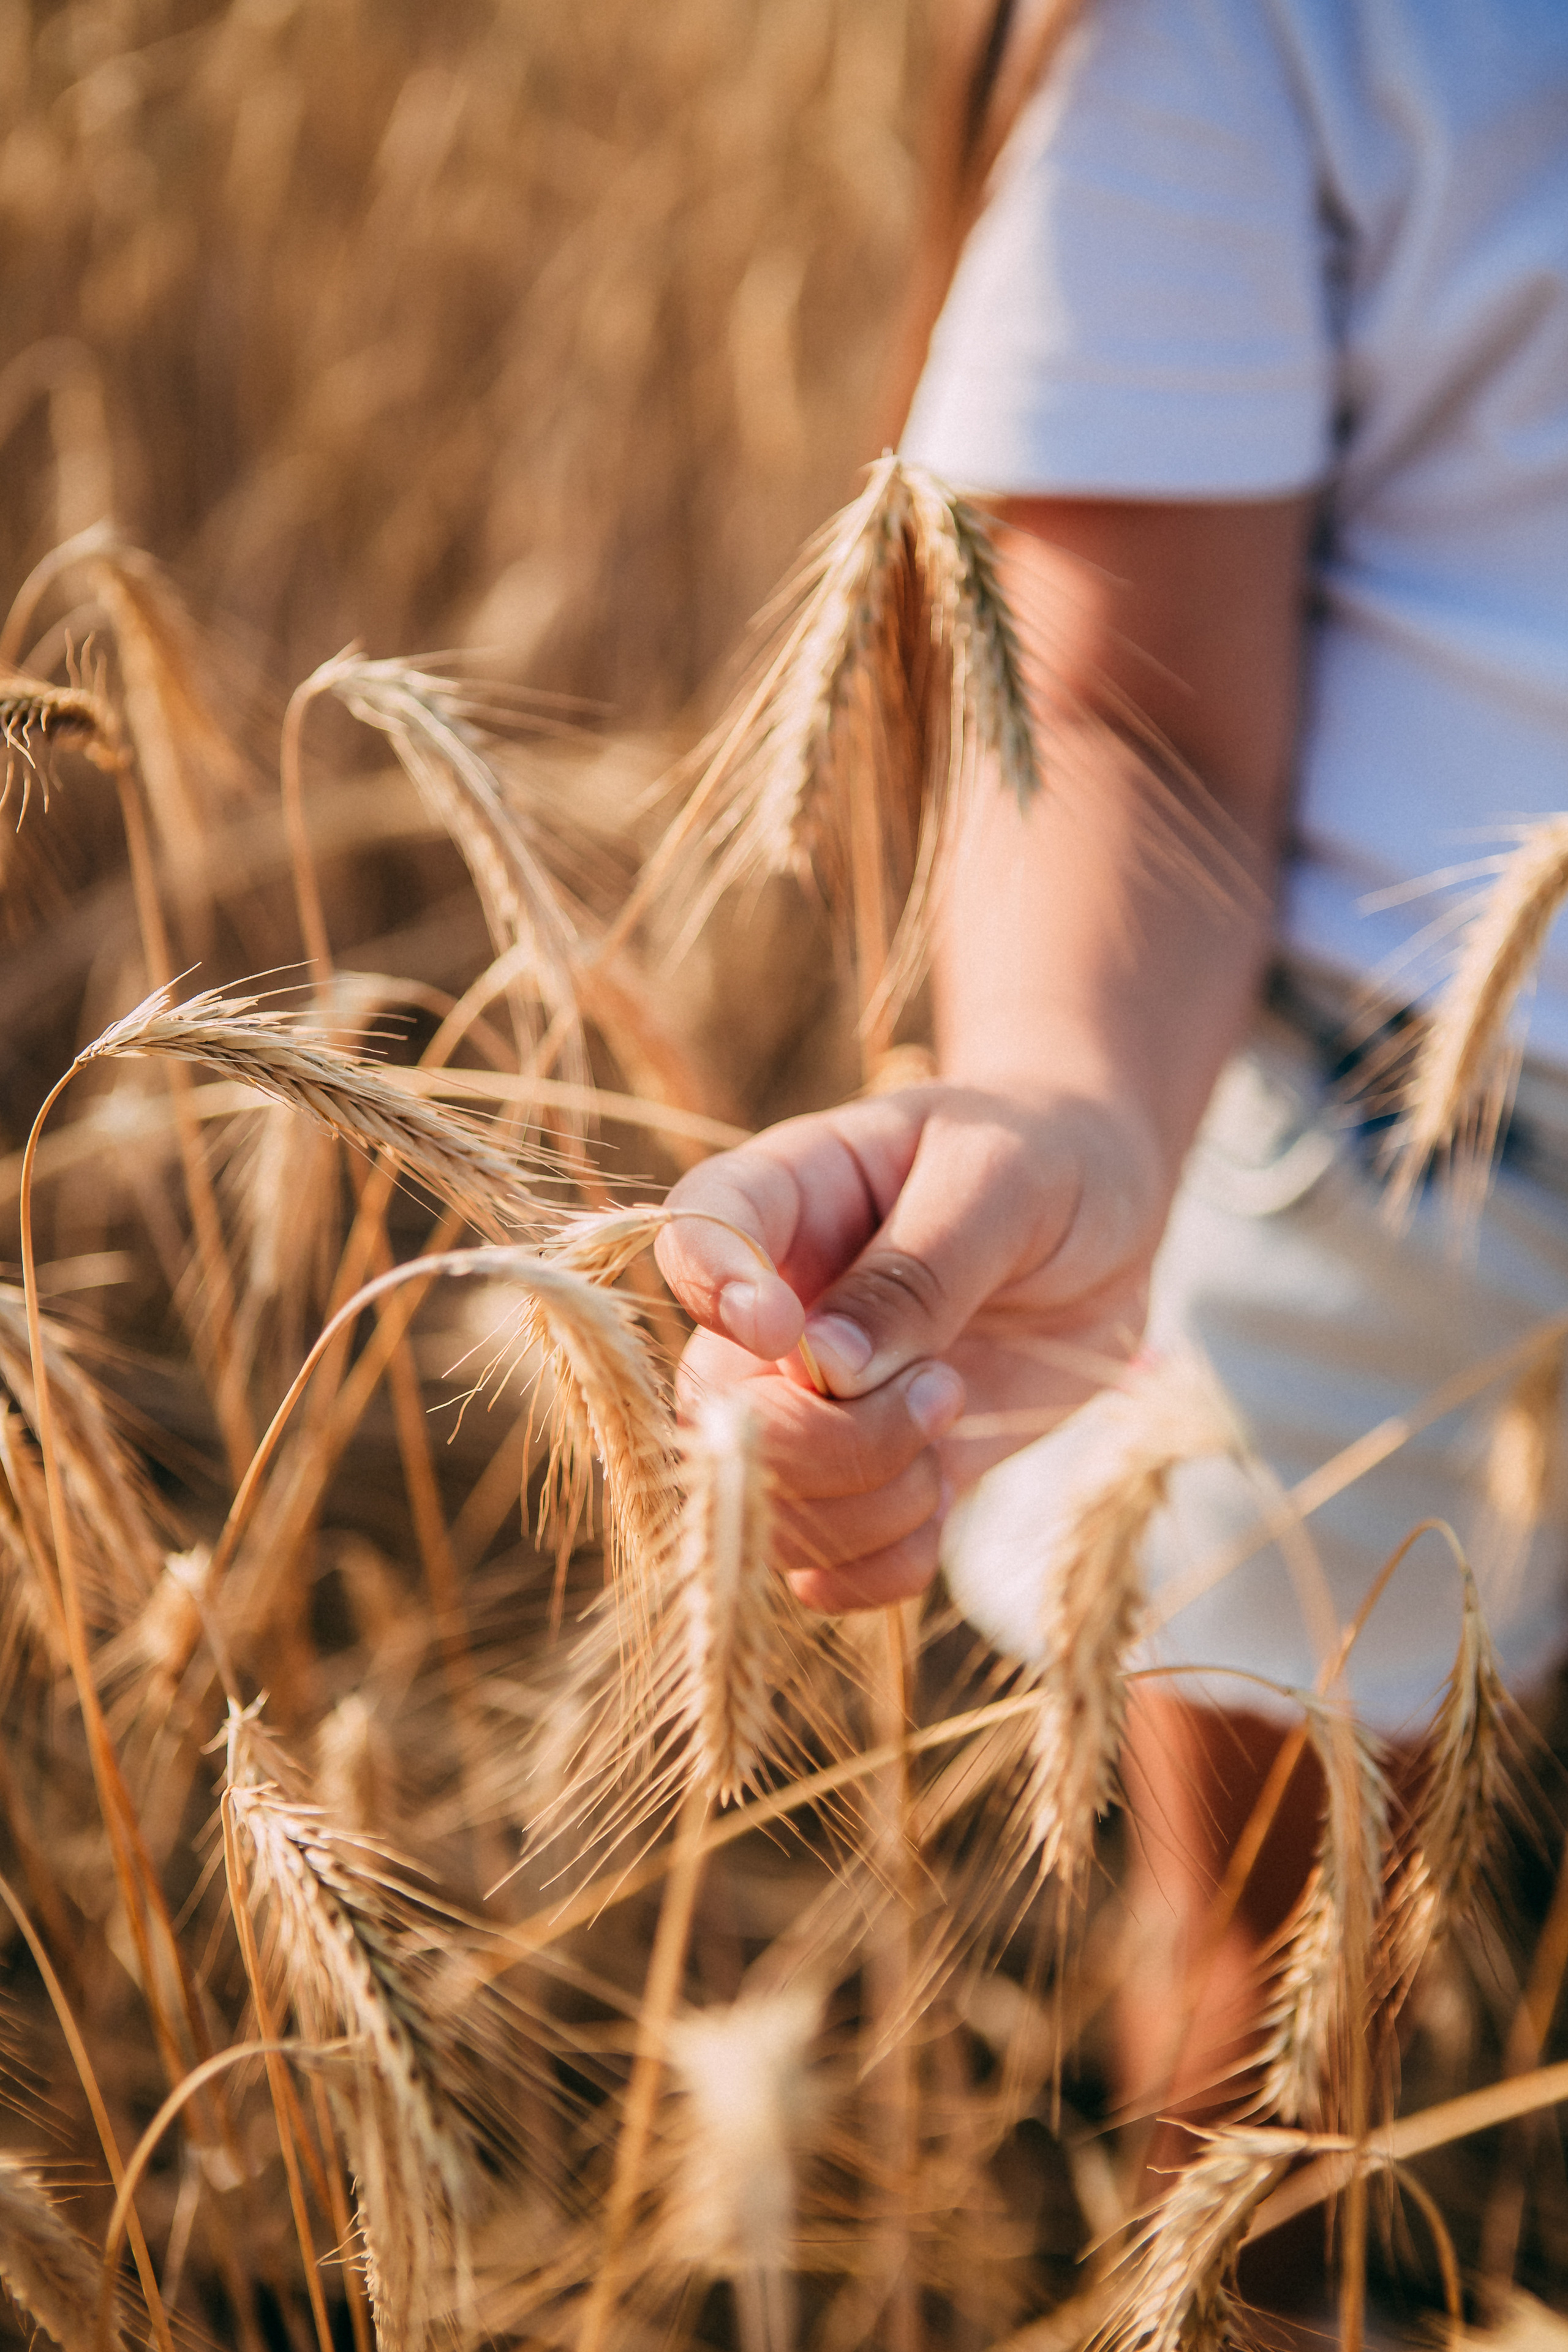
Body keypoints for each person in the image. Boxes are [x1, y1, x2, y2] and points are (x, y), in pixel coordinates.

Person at [652, 0, 1568, 2169]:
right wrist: (1063, 1108)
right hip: (1392, 1188)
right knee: (1277, 2053)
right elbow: (1132, 723)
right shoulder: (1264, 27)